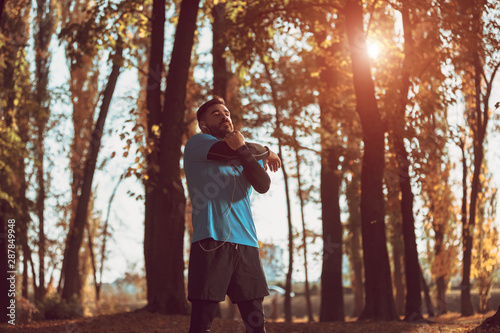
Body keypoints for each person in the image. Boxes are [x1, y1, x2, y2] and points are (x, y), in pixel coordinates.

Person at [184, 96, 281, 333]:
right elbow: (225, 150)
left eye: (226, 112)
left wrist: (249, 151)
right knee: (201, 322)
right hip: (212, 240)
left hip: (246, 244)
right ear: (203, 125)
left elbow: (263, 184)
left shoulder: (243, 154)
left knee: (255, 322)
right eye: (216, 114)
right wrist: (264, 150)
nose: (224, 116)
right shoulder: (198, 144)